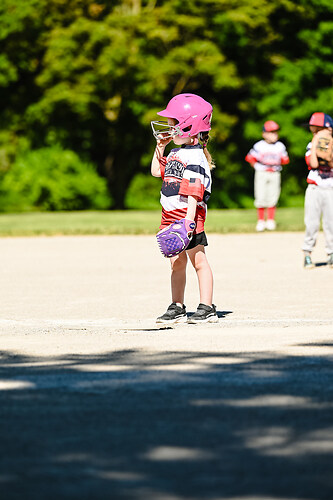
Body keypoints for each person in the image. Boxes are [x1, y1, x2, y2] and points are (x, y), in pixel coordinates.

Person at [150, 93, 218, 324]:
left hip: (187, 216)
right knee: (176, 263)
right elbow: (157, 172)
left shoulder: (196, 157)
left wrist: (189, 221)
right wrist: (160, 147)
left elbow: (194, 190)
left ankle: (207, 307)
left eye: (173, 124)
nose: (168, 128)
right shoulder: (175, 152)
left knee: (199, 261)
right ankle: (177, 306)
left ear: (189, 126)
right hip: (170, 215)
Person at [302, 112, 333, 269]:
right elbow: (314, 164)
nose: (314, 131)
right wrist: (315, 142)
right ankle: (307, 253)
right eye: (313, 130)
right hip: (314, 188)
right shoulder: (310, 144)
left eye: (317, 129)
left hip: (331, 189)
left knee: (331, 222)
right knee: (311, 222)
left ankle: (331, 253)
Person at [245, 120, 290, 231]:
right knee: (260, 195)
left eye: (276, 132)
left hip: (274, 172)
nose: (274, 134)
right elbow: (250, 157)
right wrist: (256, 166)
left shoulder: (280, 146)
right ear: (264, 134)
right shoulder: (259, 145)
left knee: (273, 195)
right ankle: (261, 221)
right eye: (271, 132)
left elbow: (285, 160)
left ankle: (270, 220)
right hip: (262, 171)